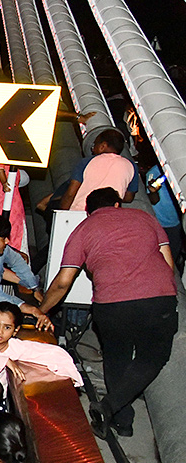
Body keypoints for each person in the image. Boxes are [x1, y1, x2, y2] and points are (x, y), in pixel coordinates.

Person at [40, 186, 178, 437]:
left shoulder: (83, 229)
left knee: (117, 356)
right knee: (153, 357)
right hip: (157, 299)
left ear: (87, 210)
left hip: (111, 304)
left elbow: (63, 282)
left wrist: (42, 310)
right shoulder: (144, 217)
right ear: (117, 205)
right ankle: (109, 407)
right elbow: (167, 261)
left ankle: (122, 422)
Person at [0, 301, 82, 389]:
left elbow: (52, 353)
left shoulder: (15, 347)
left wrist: (68, 374)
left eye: (7, 327)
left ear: (16, 330)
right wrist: (5, 361)